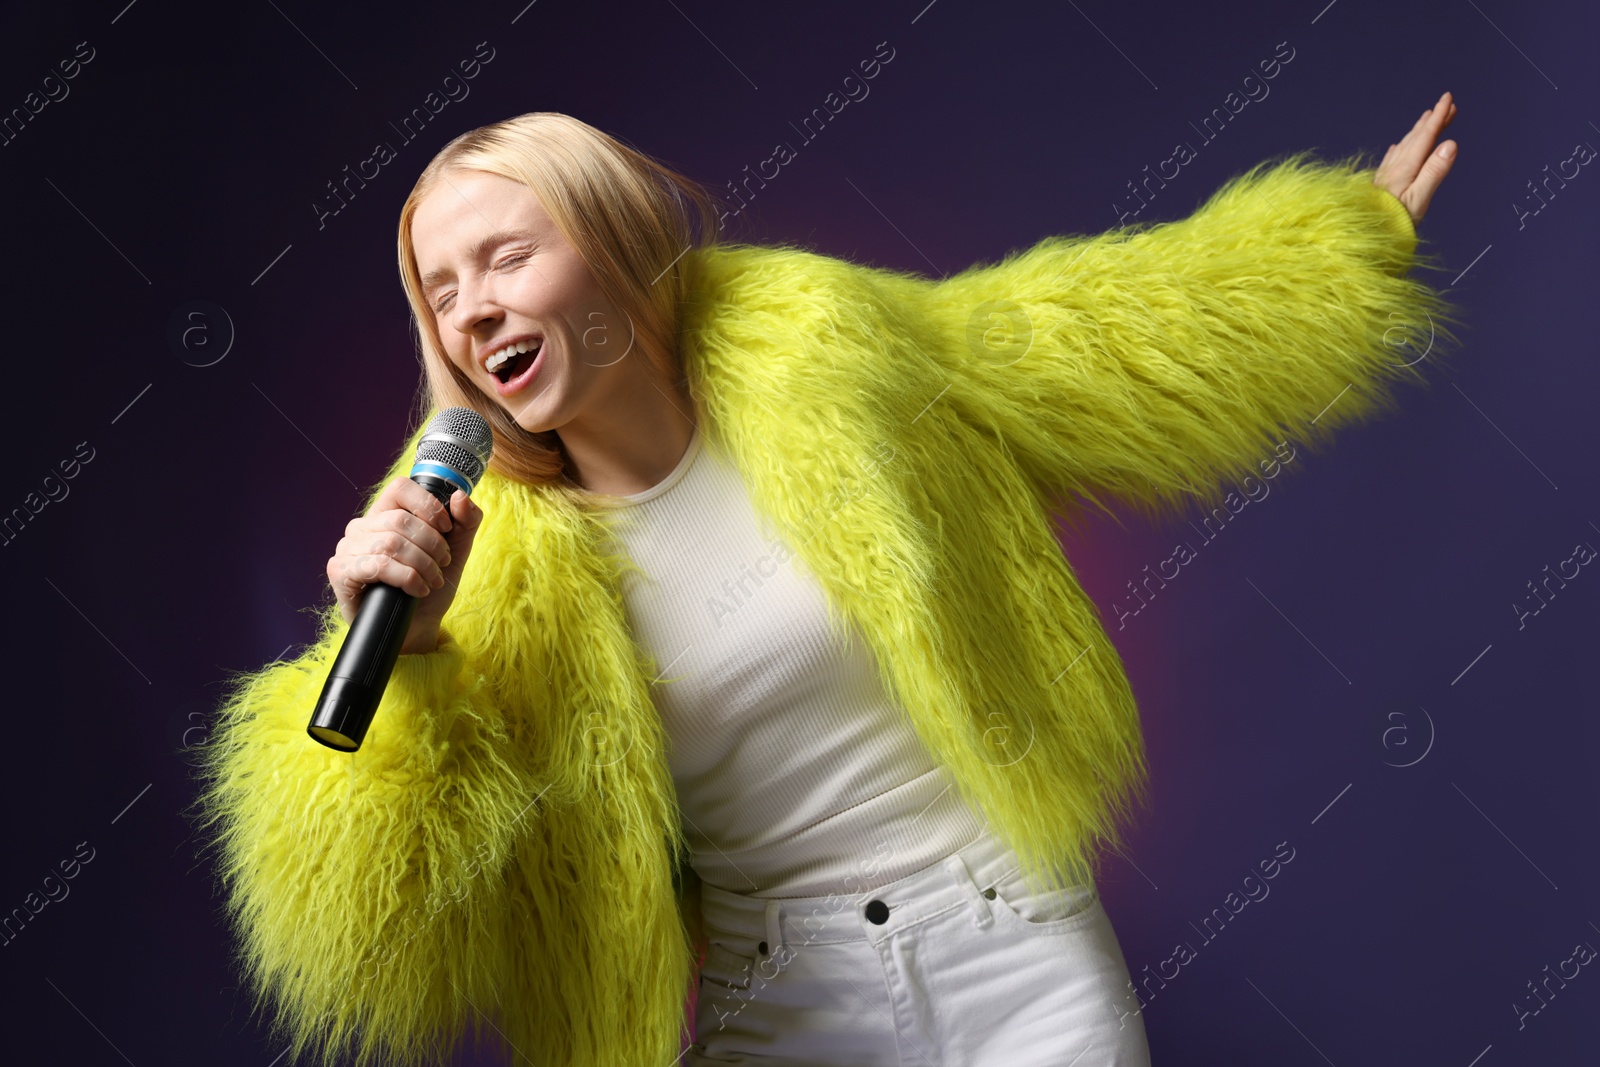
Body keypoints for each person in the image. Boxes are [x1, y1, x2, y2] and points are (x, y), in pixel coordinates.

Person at [189, 100, 1462, 1067]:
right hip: (776, 1000)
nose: (473, 311)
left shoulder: (831, 355)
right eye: (441, 290)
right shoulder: (490, 566)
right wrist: (406, 660)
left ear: (617, 241)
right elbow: (387, 926)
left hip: (1016, 942)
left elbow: (1077, 334)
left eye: (506, 256)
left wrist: (1323, 255)